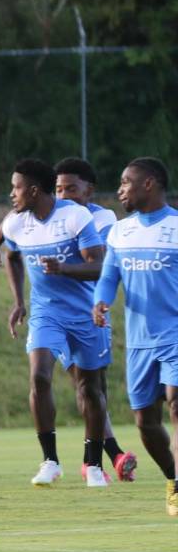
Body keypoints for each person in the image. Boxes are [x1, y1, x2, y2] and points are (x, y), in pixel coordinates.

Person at [0, 156, 136, 479]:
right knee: (39, 376)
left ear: (34, 190)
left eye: (16, 188)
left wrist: (63, 267)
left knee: (91, 389)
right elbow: (12, 255)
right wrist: (18, 301)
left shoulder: (81, 217)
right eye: (61, 187)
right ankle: (50, 461)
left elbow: (101, 265)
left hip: (87, 312)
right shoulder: (16, 221)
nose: (11, 194)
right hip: (46, 312)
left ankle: (94, 464)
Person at [93, 157, 178, 516]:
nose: (120, 189)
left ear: (150, 184)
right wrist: (100, 301)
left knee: (176, 402)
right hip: (139, 341)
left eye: (126, 182)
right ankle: (173, 480)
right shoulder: (120, 231)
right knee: (145, 422)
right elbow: (110, 275)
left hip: (175, 335)